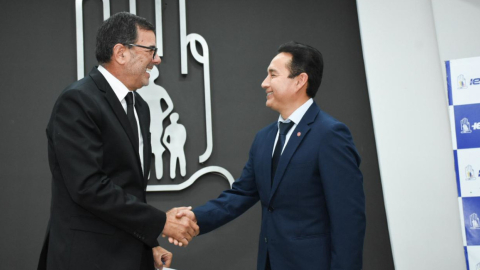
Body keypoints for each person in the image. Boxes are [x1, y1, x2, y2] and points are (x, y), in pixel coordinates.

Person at [174, 41, 366, 269]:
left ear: (300, 81)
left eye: (273, 75)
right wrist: (195, 218)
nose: (264, 83)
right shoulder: (264, 139)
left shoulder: (330, 135)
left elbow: (348, 219)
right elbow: (241, 194)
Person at [38, 12, 198, 270]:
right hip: (87, 258)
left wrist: (148, 245)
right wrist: (160, 222)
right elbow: (89, 187)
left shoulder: (140, 107)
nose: (156, 59)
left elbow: (126, 189)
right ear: (121, 53)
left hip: (127, 255)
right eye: (151, 50)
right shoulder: (78, 101)